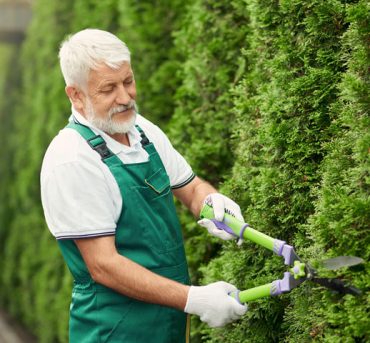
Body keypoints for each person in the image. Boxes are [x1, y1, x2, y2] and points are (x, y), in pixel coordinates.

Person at [40, 28, 247, 342]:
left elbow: (190, 189)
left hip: (169, 323)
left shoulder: (142, 131)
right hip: (115, 330)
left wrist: (212, 201)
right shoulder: (72, 159)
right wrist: (195, 299)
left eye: (128, 81)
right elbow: (104, 265)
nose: (125, 97)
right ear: (76, 95)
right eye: (108, 88)